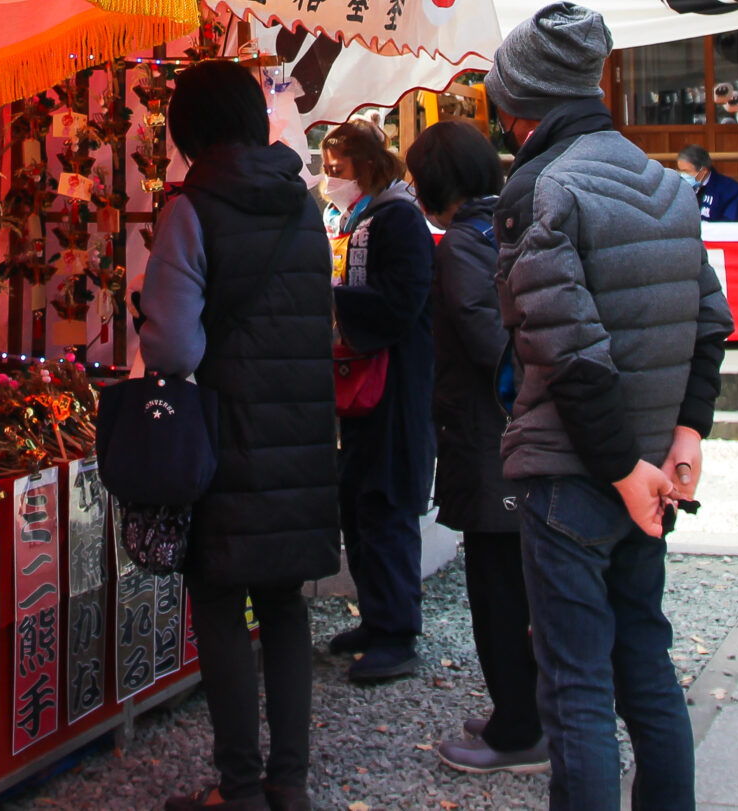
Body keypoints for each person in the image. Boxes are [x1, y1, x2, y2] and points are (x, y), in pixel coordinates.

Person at [489, 2, 733, 811]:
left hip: (582, 471)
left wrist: (624, 467)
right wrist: (684, 434)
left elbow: (567, 351)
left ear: (524, 102)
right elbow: (710, 321)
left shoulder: (543, 188)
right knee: (646, 665)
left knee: (577, 686)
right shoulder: (666, 183)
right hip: (649, 468)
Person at [137, 61, 340, 811]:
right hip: (301, 437)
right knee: (284, 606)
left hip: (223, 436)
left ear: (188, 128)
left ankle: (242, 788)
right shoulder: (303, 203)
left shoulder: (192, 209)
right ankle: (290, 785)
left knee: (222, 606)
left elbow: (172, 349)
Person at [406, 119, 544, 775]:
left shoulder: (462, 244)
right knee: (517, 581)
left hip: (490, 438)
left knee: (496, 589)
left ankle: (518, 730)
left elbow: (487, 338)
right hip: (521, 434)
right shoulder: (513, 223)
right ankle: (524, 711)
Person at [320, 116, 437, 683]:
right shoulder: (356, 218)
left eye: (336, 167)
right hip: (360, 376)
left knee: (386, 503)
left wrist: (330, 299)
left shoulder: (398, 218)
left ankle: (397, 631)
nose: (330, 177)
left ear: (365, 165)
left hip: (394, 381)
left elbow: (401, 300)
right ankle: (376, 617)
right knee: (358, 501)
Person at [675, 145, 738, 221]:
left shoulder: (730, 189)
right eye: (680, 171)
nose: (682, 175)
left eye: (686, 171)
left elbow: (733, 222)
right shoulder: (678, 188)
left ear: (703, 171)